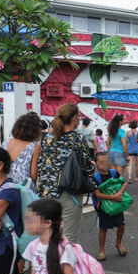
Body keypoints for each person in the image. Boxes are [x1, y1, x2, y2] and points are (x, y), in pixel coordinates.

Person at [38, 103, 94, 244]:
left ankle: (49, 265)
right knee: (69, 240)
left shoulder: (47, 139)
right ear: (74, 117)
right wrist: (93, 166)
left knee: (50, 237)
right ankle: (65, 266)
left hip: (47, 193)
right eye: (79, 116)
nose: (79, 119)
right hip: (69, 192)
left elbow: (41, 164)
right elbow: (87, 168)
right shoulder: (78, 139)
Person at [2, 112, 42, 274]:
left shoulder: (5, 143)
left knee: (10, 230)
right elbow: (33, 174)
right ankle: (20, 273)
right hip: (25, 193)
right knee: (25, 233)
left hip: (6, 190)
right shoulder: (34, 146)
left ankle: (10, 273)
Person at [22, 198, 76, 274]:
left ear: (47, 223)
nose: (26, 223)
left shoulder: (64, 248)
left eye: (30, 220)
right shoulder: (33, 247)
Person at [92, 152, 128, 260]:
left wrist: (119, 193)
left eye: (106, 162)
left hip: (116, 205)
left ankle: (119, 244)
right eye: (101, 162)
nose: (104, 164)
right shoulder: (95, 178)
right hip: (103, 207)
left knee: (121, 226)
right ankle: (101, 250)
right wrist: (113, 197)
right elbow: (97, 194)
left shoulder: (114, 173)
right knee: (103, 229)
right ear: (96, 164)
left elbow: (124, 183)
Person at [126, 119, 138, 184]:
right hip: (137, 149)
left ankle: (129, 177)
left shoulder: (127, 132)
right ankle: (136, 177)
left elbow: (125, 141)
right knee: (137, 164)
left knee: (130, 164)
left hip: (130, 149)